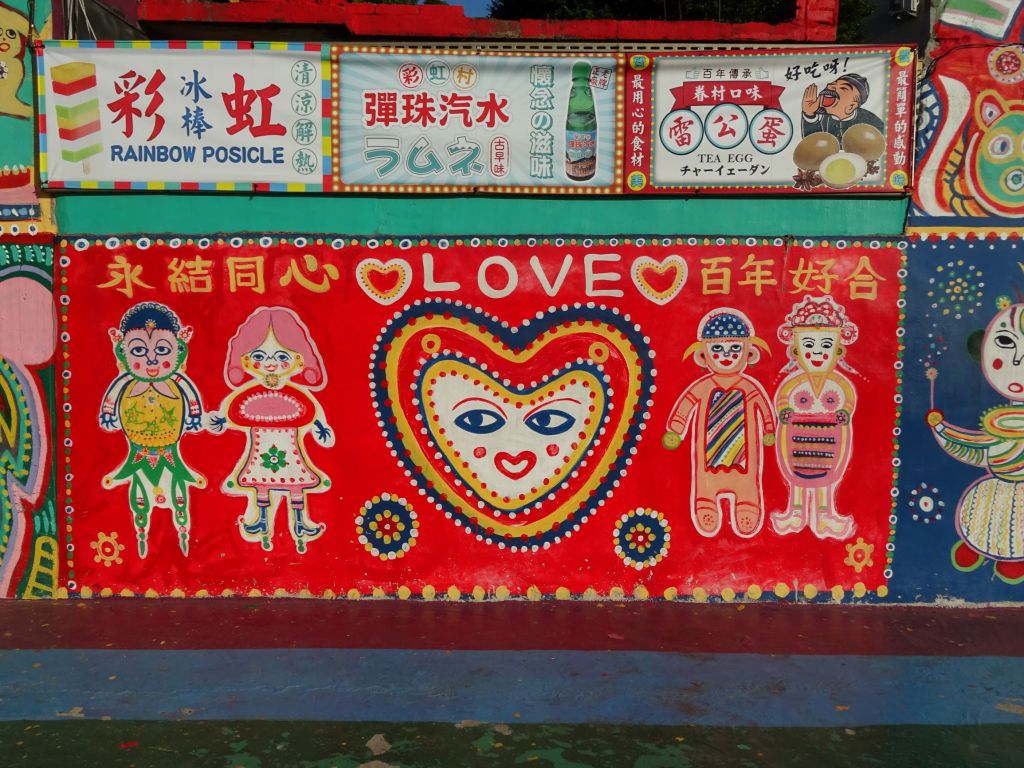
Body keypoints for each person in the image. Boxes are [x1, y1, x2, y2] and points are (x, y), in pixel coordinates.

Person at [209, 307, 334, 554]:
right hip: (261, 445)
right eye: (259, 356)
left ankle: (300, 523)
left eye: (282, 356)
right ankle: (262, 520)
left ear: (299, 360)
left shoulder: (296, 395)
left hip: (289, 445)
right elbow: (235, 410)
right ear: (245, 359)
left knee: (296, 481)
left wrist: (319, 427)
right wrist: (223, 421)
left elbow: (309, 410)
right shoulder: (249, 395)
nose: (270, 363)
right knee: (261, 481)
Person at [662, 308, 776, 538]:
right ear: (703, 356)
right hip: (709, 454)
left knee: (747, 483)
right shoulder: (703, 387)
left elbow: (764, 409)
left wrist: (768, 429)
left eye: (735, 349)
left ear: (748, 354)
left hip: (744, 455)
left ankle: (747, 505)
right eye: (717, 349)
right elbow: (686, 404)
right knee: (705, 482)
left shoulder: (748, 388)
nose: (726, 355)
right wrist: (676, 428)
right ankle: (705, 504)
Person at [772, 295, 859, 541]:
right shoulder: (794, 383)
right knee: (797, 477)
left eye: (826, 346)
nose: (817, 352)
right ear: (796, 351)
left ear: (838, 350)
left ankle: (824, 514)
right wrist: (785, 412)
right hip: (797, 437)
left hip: (830, 439)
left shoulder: (840, 383)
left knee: (827, 479)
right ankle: (795, 511)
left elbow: (848, 400)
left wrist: (844, 412)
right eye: (809, 345)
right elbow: (782, 400)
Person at [800, 73, 885, 142]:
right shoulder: (821, 116)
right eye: (833, 84)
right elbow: (813, 148)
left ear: (851, 106)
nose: (830, 86)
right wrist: (809, 114)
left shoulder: (872, 122)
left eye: (843, 88)